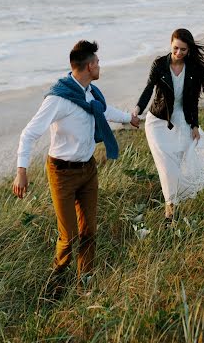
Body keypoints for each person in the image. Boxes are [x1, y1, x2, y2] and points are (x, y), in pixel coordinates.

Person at [13, 39, 139, 292]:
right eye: (98, 63)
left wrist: (130, 119)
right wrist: (21, 171)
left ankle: (85, 282)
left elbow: (103, 111)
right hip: (62, 173)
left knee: (89, 231)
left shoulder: (91, 93)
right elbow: (29, 133)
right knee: (68, 237)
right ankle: (57, 277)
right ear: (90, 66)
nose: (100, 66)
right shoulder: (58, 99)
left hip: (87, 170)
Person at [134, 28, 204, 223]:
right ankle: (170, 212)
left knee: (179, 163)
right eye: (176, 48)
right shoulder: (159, 64)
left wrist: (194, 125)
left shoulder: (192, 69)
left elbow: (193, 100)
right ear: (170, 45)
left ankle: (174, 206)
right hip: (158, 122)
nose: (178, 53)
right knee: (168, 168)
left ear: (189, 49)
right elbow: (148, 89)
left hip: (181, 120)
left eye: (183, 49)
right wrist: (137, 109)